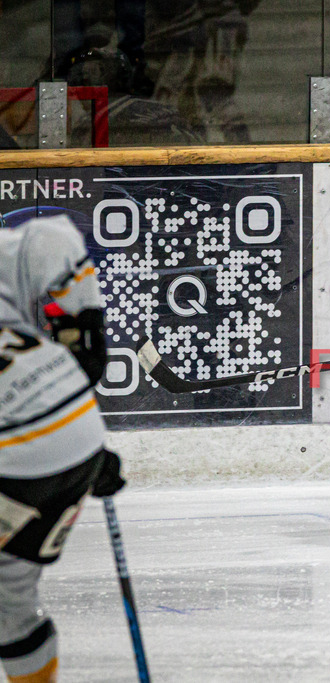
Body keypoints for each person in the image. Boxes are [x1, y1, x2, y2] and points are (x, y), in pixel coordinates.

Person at [0, 215, 125, 682]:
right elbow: (54, 239)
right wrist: (82, 327)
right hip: (78, 432)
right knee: (8, 605)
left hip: (16, 455)